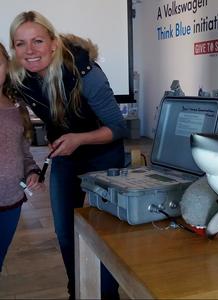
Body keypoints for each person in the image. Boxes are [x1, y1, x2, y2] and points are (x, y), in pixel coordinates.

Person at [9, 11, 128, 299]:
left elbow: (118, 127)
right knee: (65, 233)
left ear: (53, 42)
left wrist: (80, 139)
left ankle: (107, 294)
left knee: (106, 236)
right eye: (20, 43)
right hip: (65, 154)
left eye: (37, 41)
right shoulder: (18, 77)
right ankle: (78, 288)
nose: (30, 51)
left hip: (104, 154)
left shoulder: (85, 72)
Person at [0, 42, 43, 273]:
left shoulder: (18, 109)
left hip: (11, 202)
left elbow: (25, 153)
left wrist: (32, 171)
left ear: (7, 65)